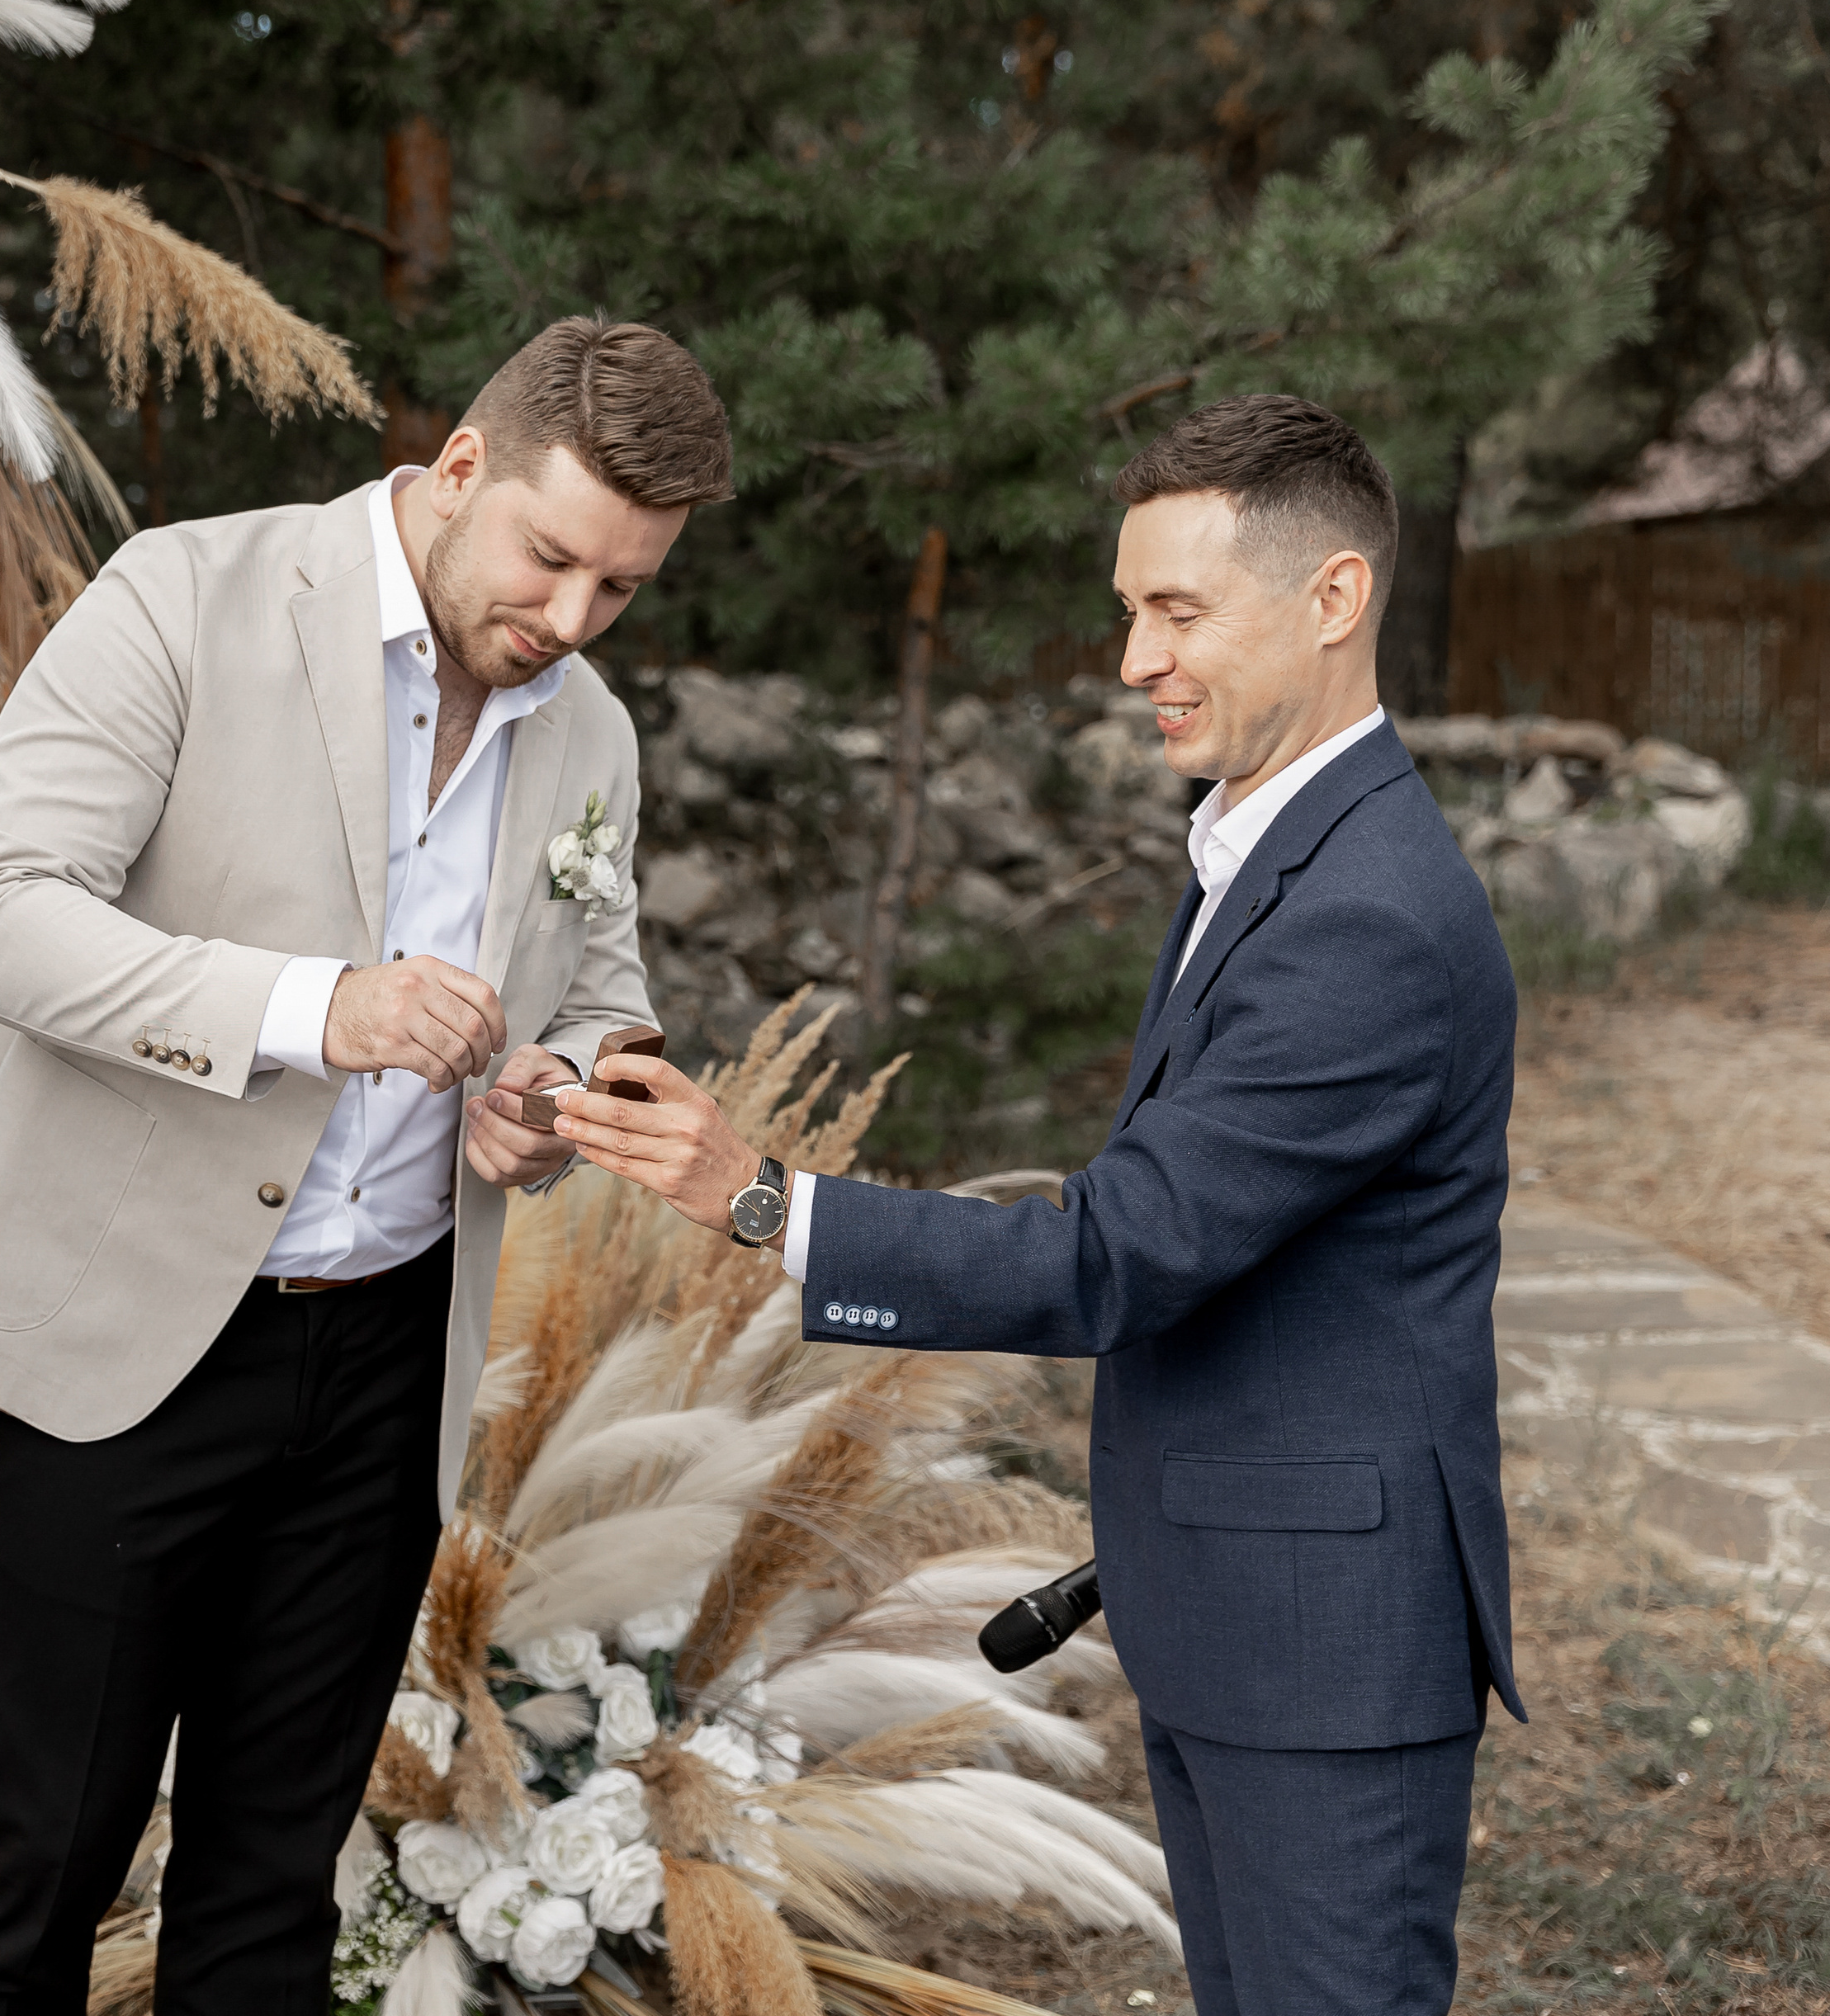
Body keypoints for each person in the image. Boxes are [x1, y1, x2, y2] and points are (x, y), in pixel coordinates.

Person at [552, 394, 1524, 2016]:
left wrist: (760, 1200)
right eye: (1124, 610)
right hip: (1246, 1614)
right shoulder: (1267, 851)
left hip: (1322, 1651)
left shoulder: (1368, 919)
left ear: (1333, 598)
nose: (1131, 658)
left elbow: (1112, 1253)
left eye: (1174, 611)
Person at [0, 317, 731, 2014]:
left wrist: (554, 1092)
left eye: (621, 591)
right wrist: (309, 1006)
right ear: (459, 469)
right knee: (34, 1863)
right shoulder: (184, 595)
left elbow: (606, 998)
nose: (569, 623)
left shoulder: (589, 736)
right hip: (124, 1340)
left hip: (382, 1363)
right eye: (552, 559)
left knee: (272, 1891)